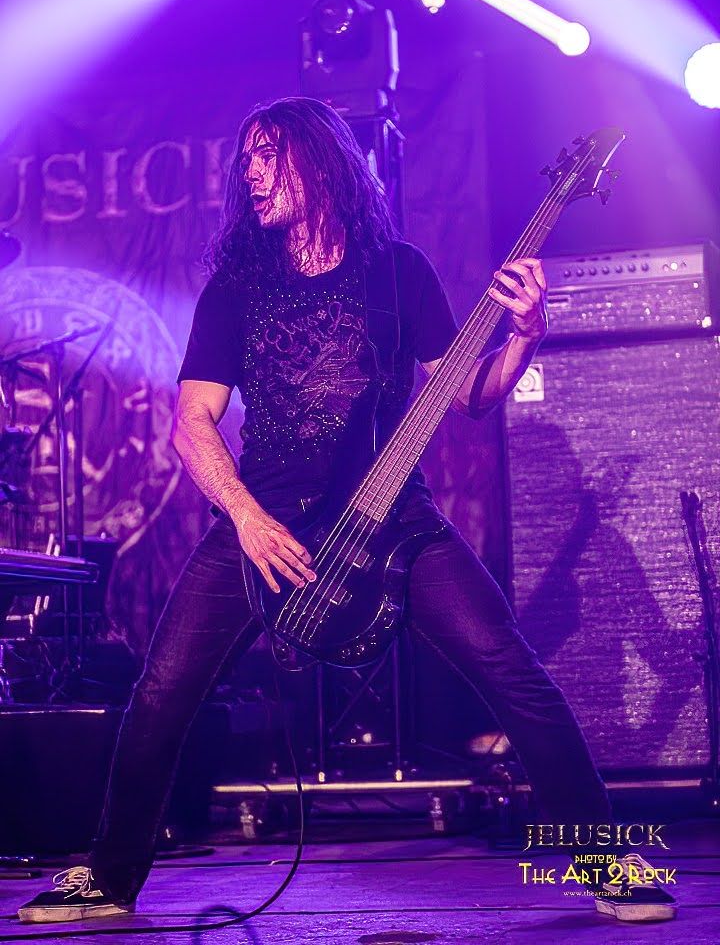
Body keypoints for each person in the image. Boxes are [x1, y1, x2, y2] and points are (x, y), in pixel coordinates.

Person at [19, 97, 675, 925]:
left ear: (319, 159)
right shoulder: (237, 287)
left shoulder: (399, 273)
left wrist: (524, 334)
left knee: (512, 669)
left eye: (268, 155)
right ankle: (110, 879)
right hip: (265, 519)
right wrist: (247, 518)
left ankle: (603, 859)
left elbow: (465, 395)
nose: (251, 175)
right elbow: (191, 423)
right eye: (245, 161)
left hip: (392, 514)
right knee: (159, 693)